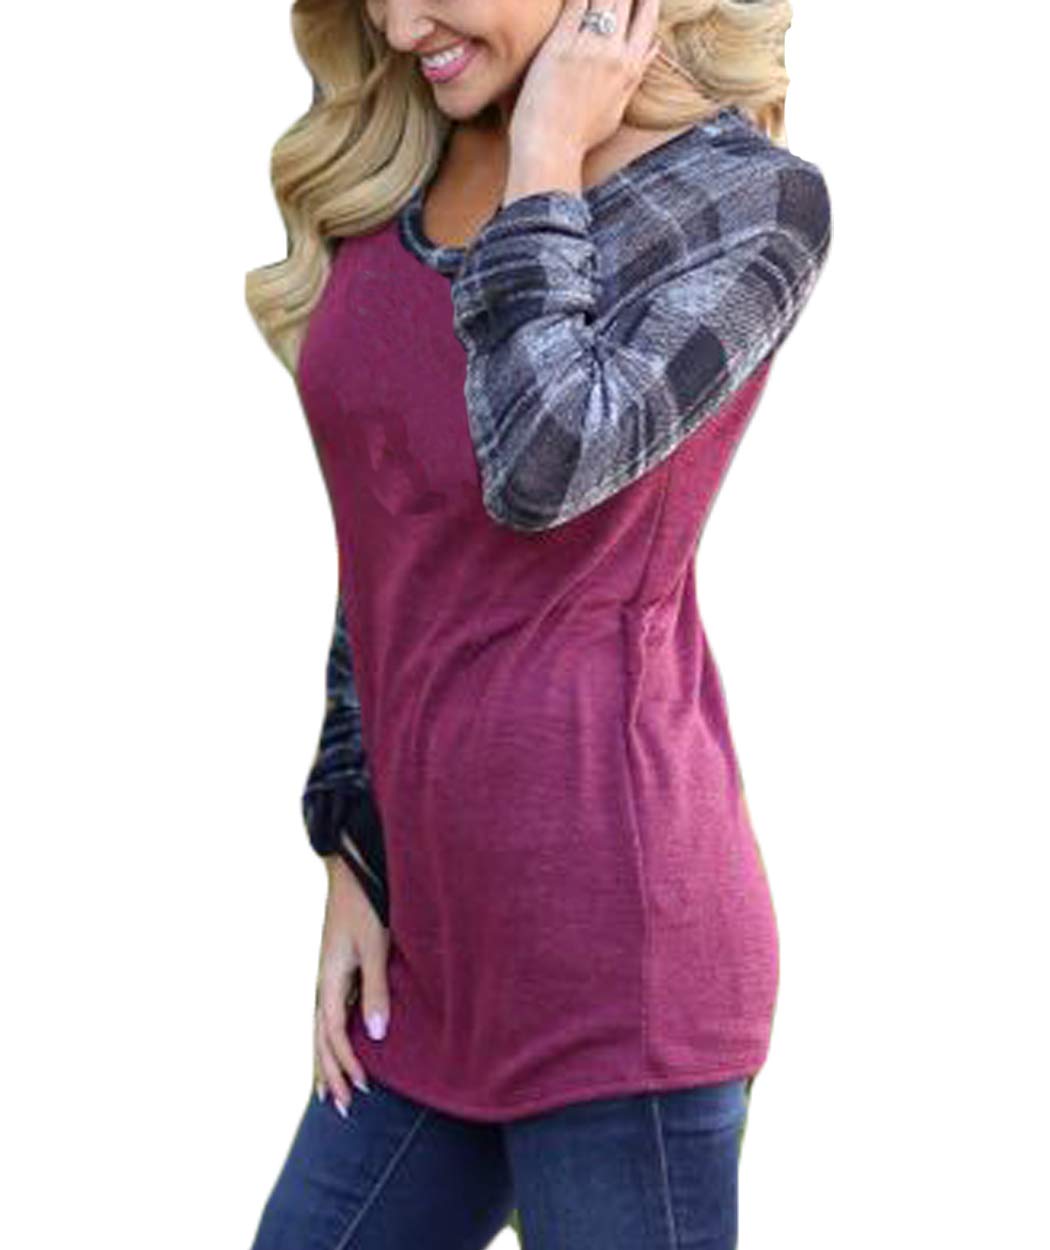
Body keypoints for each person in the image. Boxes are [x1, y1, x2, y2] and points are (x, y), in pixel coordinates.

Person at [244, 0, 831, 1246]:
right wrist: (354, 844)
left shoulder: (745, 202)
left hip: (622, 963)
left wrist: (547, 159)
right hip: (435, 955)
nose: (398, 25)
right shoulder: (412, 156)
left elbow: (544, 462)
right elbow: (391, 542)